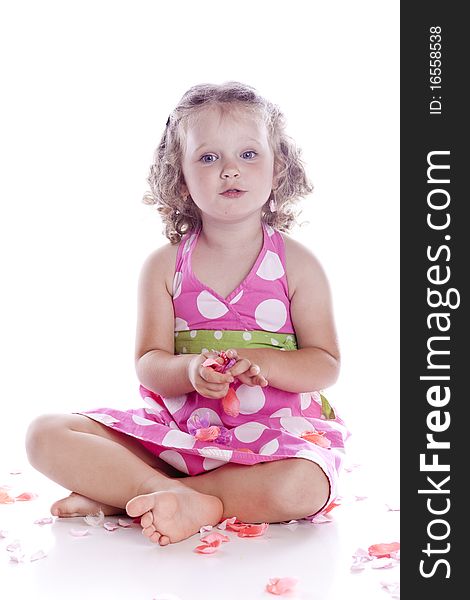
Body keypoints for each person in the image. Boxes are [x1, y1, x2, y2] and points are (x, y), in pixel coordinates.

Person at [26, 81, 349, 546]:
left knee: (305, 485)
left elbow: (326, 362)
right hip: (179, 440)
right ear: (181, 177)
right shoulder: (165, 266)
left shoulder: (298, 264)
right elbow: (149, 363)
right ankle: (165, 490)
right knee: (45, 433)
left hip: (273, 445)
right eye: (209, 158)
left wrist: (267, 362)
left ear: (278, 170)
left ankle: (142, 497)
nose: (230, 170)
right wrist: (190, 369)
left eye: (249, 154)